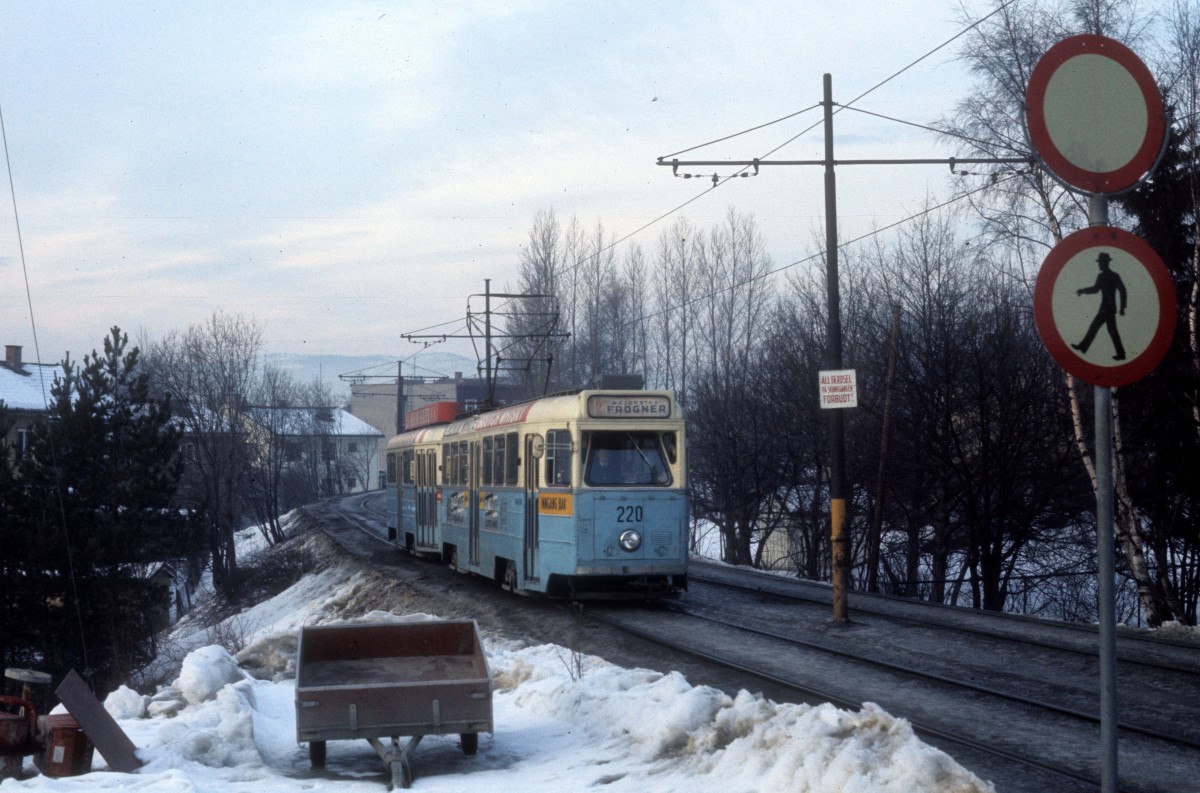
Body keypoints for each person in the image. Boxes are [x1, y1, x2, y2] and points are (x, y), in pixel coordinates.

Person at [1072, 251, 1127, 361]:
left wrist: (1122, 307)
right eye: (1099, 263)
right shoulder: (1101, 276)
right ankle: (1083, 346)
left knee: (1111, 331)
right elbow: (1095, 289)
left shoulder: (1114, 276)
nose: (1099, 265)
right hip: (1103, 308)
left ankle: (1121, 354)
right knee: (1096, 328)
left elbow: (1122, 290)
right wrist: (1083, 291)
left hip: (1109, 309)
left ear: (1105, 263)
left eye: (1100, 263)